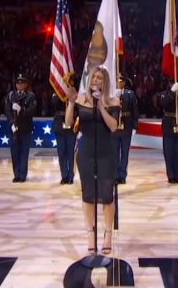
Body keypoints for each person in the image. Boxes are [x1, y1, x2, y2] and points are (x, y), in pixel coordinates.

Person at [64, 65, 120, 255]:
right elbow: (69, 122)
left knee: (106, 195)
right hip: (86, 151)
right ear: (90, 81)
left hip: (106, 152)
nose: (97, 80)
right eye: (94, 77)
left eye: (101, 78)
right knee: (87, 194)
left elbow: (113, 127)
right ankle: (90, 235)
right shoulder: (80, 100)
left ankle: (108, 235)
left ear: (105, 82)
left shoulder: (113, 101)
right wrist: (71, 103)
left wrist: (101, 106)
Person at [6, 74, 37, 183]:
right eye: (18, 83)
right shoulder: (11, 95)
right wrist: (11, 124)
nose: (19, 85)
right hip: (14, 129)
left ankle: (22, 175)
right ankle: (16, 174)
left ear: (26, 84)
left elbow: (31, 111)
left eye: (22, 83)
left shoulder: (31, 96)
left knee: (24, 152)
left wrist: (21, 109)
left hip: (25, 128)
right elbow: (8, 111)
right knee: (15, 152)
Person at [113, 74, 139, 185]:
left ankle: (122, 175)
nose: (119, 82)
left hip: (126, 126)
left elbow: (135, 111)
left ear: (124, 82)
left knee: (124, 152)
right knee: (114, 152)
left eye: (121, 81)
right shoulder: (112, 94)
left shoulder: (130, 94)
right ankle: (115, 175)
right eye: (118, 80)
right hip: (114, 127)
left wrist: (134, 126)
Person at [52, 76, 77, 185]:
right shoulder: (57, 92)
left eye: (70, 80)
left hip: (71, 124)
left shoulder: (76, 92)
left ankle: (71, 176)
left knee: (70, 152)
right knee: (61, 152)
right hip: (59, 124)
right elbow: (53, 103)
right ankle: (64, 175)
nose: (68, 82)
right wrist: (61, 93)